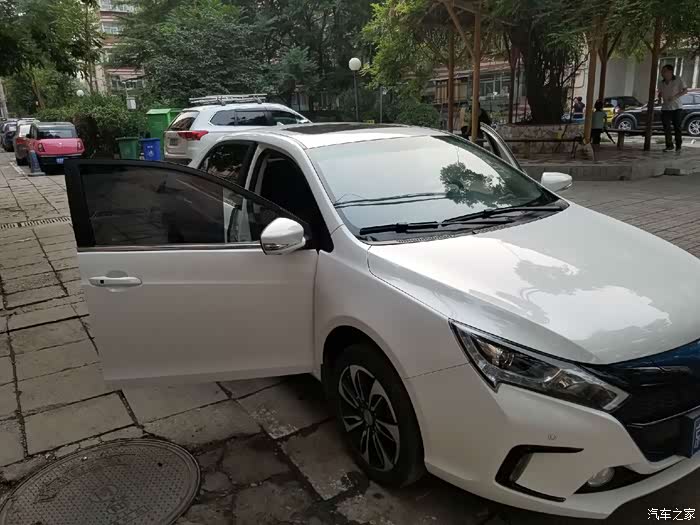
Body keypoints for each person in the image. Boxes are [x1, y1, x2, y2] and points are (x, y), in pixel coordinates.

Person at [658, 64, 688, 152]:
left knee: (677, 127)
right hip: (665, 108)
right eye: (662, 71)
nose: (662, 73)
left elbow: (685, 90)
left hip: (677, 107)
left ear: (670, 72)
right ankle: (669, 145)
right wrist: (659, 99)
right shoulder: (661, 83)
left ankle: (678, 145)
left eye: (664, 71)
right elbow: (660, 93)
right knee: (666, 127)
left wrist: (675, 97)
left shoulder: (678, 79)